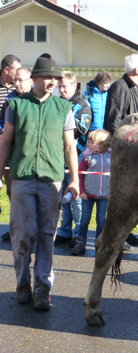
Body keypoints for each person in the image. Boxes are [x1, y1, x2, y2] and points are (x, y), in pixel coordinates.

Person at [0, 53, 79, 311]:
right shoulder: (17, 106)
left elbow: (70, 147)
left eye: (55, 78)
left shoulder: (64, 108)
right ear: (34, 78)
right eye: (47, 77)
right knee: (22, 235)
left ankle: (42, 290)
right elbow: (6, 141)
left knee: (47, 235)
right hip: (22, 179)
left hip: (52, 180)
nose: (53, 82)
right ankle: (23, 284)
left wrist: (75, 180)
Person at [104, 53, 138, 246]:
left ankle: (126, 233)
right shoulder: (119, 87)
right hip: (126, 151)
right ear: (137, 69)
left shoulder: (137, 89)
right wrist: (122, 149)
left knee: (131, 197)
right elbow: (113, 121)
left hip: (137, 150)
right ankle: (116, 237)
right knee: (121, 196)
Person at [54, 71, 92, 247]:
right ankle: (65, 231)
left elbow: (81, 129)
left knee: (74, 197)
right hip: (57, 156)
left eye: (65, 86)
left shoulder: (83, 105)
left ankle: (79, 234)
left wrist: (58, 123)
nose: (61, 90)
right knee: (62, 197)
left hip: (76, 157)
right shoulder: (56, 103)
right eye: (59, 86)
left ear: (74, 86)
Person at [0, 67, 33, 242]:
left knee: (29, 193)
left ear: (31, 81)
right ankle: (16, 227)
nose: (17, 83)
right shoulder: (9, 100)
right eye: (15, 80)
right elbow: (1, 122)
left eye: (21, 80)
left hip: (30, 156)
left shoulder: (36, 99)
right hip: (11, 153)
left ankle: (30, 229)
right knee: (12, 191)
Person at [71, 130, 111, 256]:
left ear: (103, 144)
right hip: (87, 195)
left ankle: (100, 244)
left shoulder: (112, 156)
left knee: (101, 220)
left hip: (104, 196)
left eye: (92, 142)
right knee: (84, 220)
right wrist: (81, 191)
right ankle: (81, 242)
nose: (89, 144)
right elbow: (80, 175)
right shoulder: (86, 156)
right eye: (88, 141)